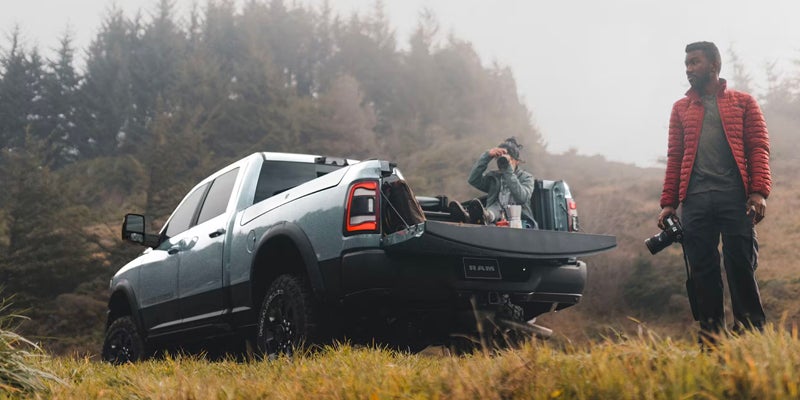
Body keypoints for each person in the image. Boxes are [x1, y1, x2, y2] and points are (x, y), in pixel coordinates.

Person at [657, 41, 771, 340]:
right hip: (695, 200)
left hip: (734, 197)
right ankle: (712, 339)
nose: (689, 69)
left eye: (695, 62)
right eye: (687, 63)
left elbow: (758, 147)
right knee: (702, 272)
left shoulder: (744, 102)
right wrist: (668, 203)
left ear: (714, 65)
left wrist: (759, 192)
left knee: (741, 266)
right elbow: (675, 156)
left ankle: (751, 336)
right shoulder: (680, 108)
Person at [450, 137, 537, 229]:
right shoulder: (494, 177)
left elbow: (522, 198)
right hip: (496, 221)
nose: (505, 163)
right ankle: (477, 217)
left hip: (520, 223)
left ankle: (481, 216)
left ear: (517, 161)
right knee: (495, 207)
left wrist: (508, 171)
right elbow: (473, 180)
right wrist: (487, 156)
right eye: (501, 159)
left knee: (497, 212)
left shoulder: (527, 178)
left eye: (509, 159)